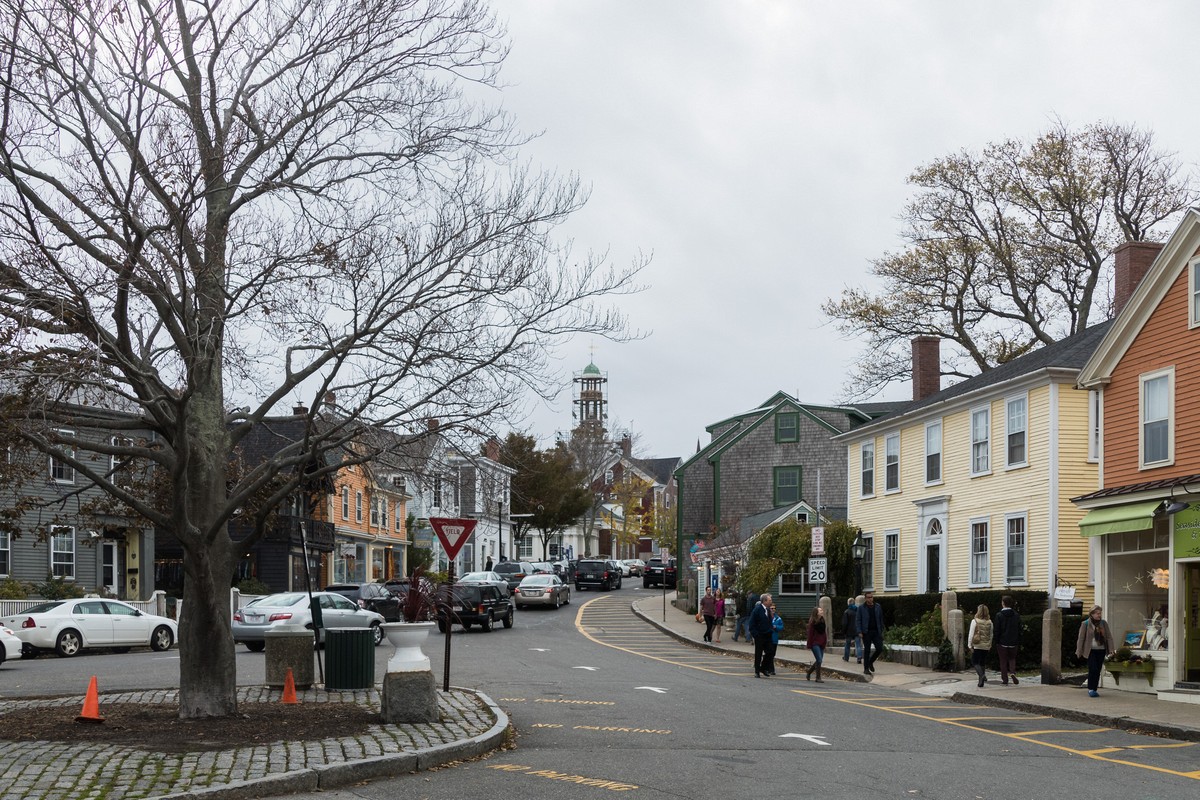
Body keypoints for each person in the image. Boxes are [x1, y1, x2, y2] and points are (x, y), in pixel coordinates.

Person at [1076, 605, 1115, 697]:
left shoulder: (1103, 623)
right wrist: (1079, 651)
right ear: (1092, 614)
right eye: (1097, 613)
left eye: (1100, 613)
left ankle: (1094, 689)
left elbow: (1109, 637)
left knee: (1098, 670)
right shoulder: (1085, 624)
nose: (1099, 615)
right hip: (1090, 650)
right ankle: (1090, 689)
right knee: (1093, 669)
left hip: (1101, 650)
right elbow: (1081, 639)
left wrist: (1111, 649)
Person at [856, 590, 885, 674]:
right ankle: (866, 668)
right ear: (865, 598)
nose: (870, 599)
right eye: (868, 597)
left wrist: (881, 629)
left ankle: (870, 662)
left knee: (879, 648)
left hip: (876, 631)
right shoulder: (861, 608)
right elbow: (858, 620)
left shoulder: (877, 606)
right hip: (866, 631)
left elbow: (880, 618)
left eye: (871, 597)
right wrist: (859, 631)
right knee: (867, 650)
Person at [994, 595, 1020, 685]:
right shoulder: (1016, 615)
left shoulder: (999, 615)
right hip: (1013, 641)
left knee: (1003, 660)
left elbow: (997, 630)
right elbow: (1019, 628)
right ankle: (1012, 672)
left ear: (1003, 603)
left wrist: (996, 641)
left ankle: (1005, 679)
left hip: (1002, 641)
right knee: (1012, 658)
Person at [967, 604, 993, 688]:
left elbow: (971, 634)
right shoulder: (990, 622)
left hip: (977, 645)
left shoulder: (975, 621)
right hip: (986, 645)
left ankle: (981, 676)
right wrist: (989, 645)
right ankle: (980, 682)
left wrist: (969, 645)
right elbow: (991, 634)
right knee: (982, 662)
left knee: (975, 662)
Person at [749, 593, 774, 678]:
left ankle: (763, 668)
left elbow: (769, 621)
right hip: (759, 635)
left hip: (768, 635)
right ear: (764, 601)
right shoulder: (757, 609)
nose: (771, 602)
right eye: (769, 600)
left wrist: (771, 629)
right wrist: (755, 634)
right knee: (758, 653)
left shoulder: (768, 610)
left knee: (770, 652)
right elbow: (752, 623)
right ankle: (757, 671)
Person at [805, 606, 827, 682]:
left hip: (821, 643)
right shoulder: (813, 622)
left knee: (819, 660)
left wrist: (825, 642)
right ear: (816, 613)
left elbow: (824, 633)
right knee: (819, 660)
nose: (822, 611)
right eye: (820, 610)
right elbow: (810, 634)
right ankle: (818, 677)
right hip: (815, 643)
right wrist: (809, 644)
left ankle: (809, 672)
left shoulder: (822, 620)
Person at [841, 597, 861, 663]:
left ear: (848, 603)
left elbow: (845, 623)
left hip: (849, 631)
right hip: (857, 630)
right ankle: (859, 658)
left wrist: (843, 631)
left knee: (847, 645)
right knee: (858, 645)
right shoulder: (858, 611)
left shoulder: (846, 612)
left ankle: (846, 658)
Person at [766, 598, 782, 676]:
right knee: (770, 653)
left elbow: (781, 627)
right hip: (768, 638)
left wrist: (776, 627)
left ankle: (767, 666)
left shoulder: (778, 618)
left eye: (774, 608)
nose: (773, 610)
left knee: (772, 654)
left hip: (774, 638)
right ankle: (771, 669)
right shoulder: (766, 617)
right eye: (771, 608)